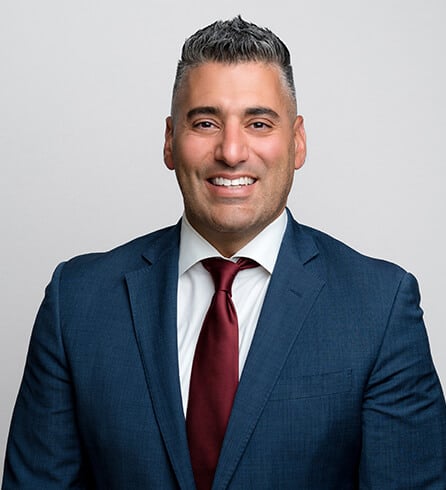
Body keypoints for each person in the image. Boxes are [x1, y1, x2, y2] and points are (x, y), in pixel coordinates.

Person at [3, 16, 446, 490]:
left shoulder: (379, 307)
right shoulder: (76, 302)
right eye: (206, 123)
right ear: (170, 141)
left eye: (258, 123)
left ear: (297, 142)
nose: (231, 151)